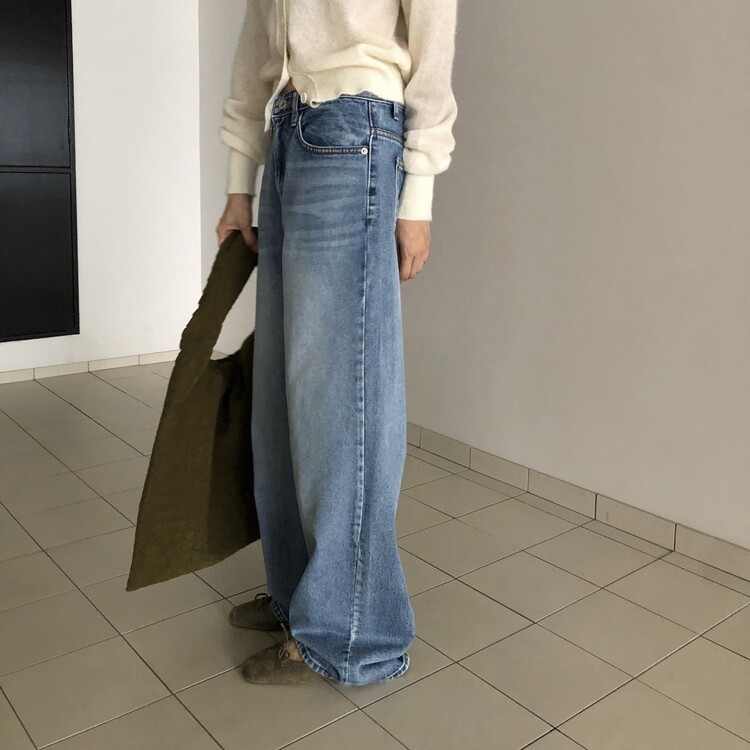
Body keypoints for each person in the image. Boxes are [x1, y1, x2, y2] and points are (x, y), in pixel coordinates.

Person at [215, 0, 458, 687]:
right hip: (288, 130)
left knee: (341, 395)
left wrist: (419, 192)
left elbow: (434, 27)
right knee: (281, 397)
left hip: (356, 130)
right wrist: (240, 180)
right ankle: (300, 598)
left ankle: (355, 635)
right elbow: (258, 41)